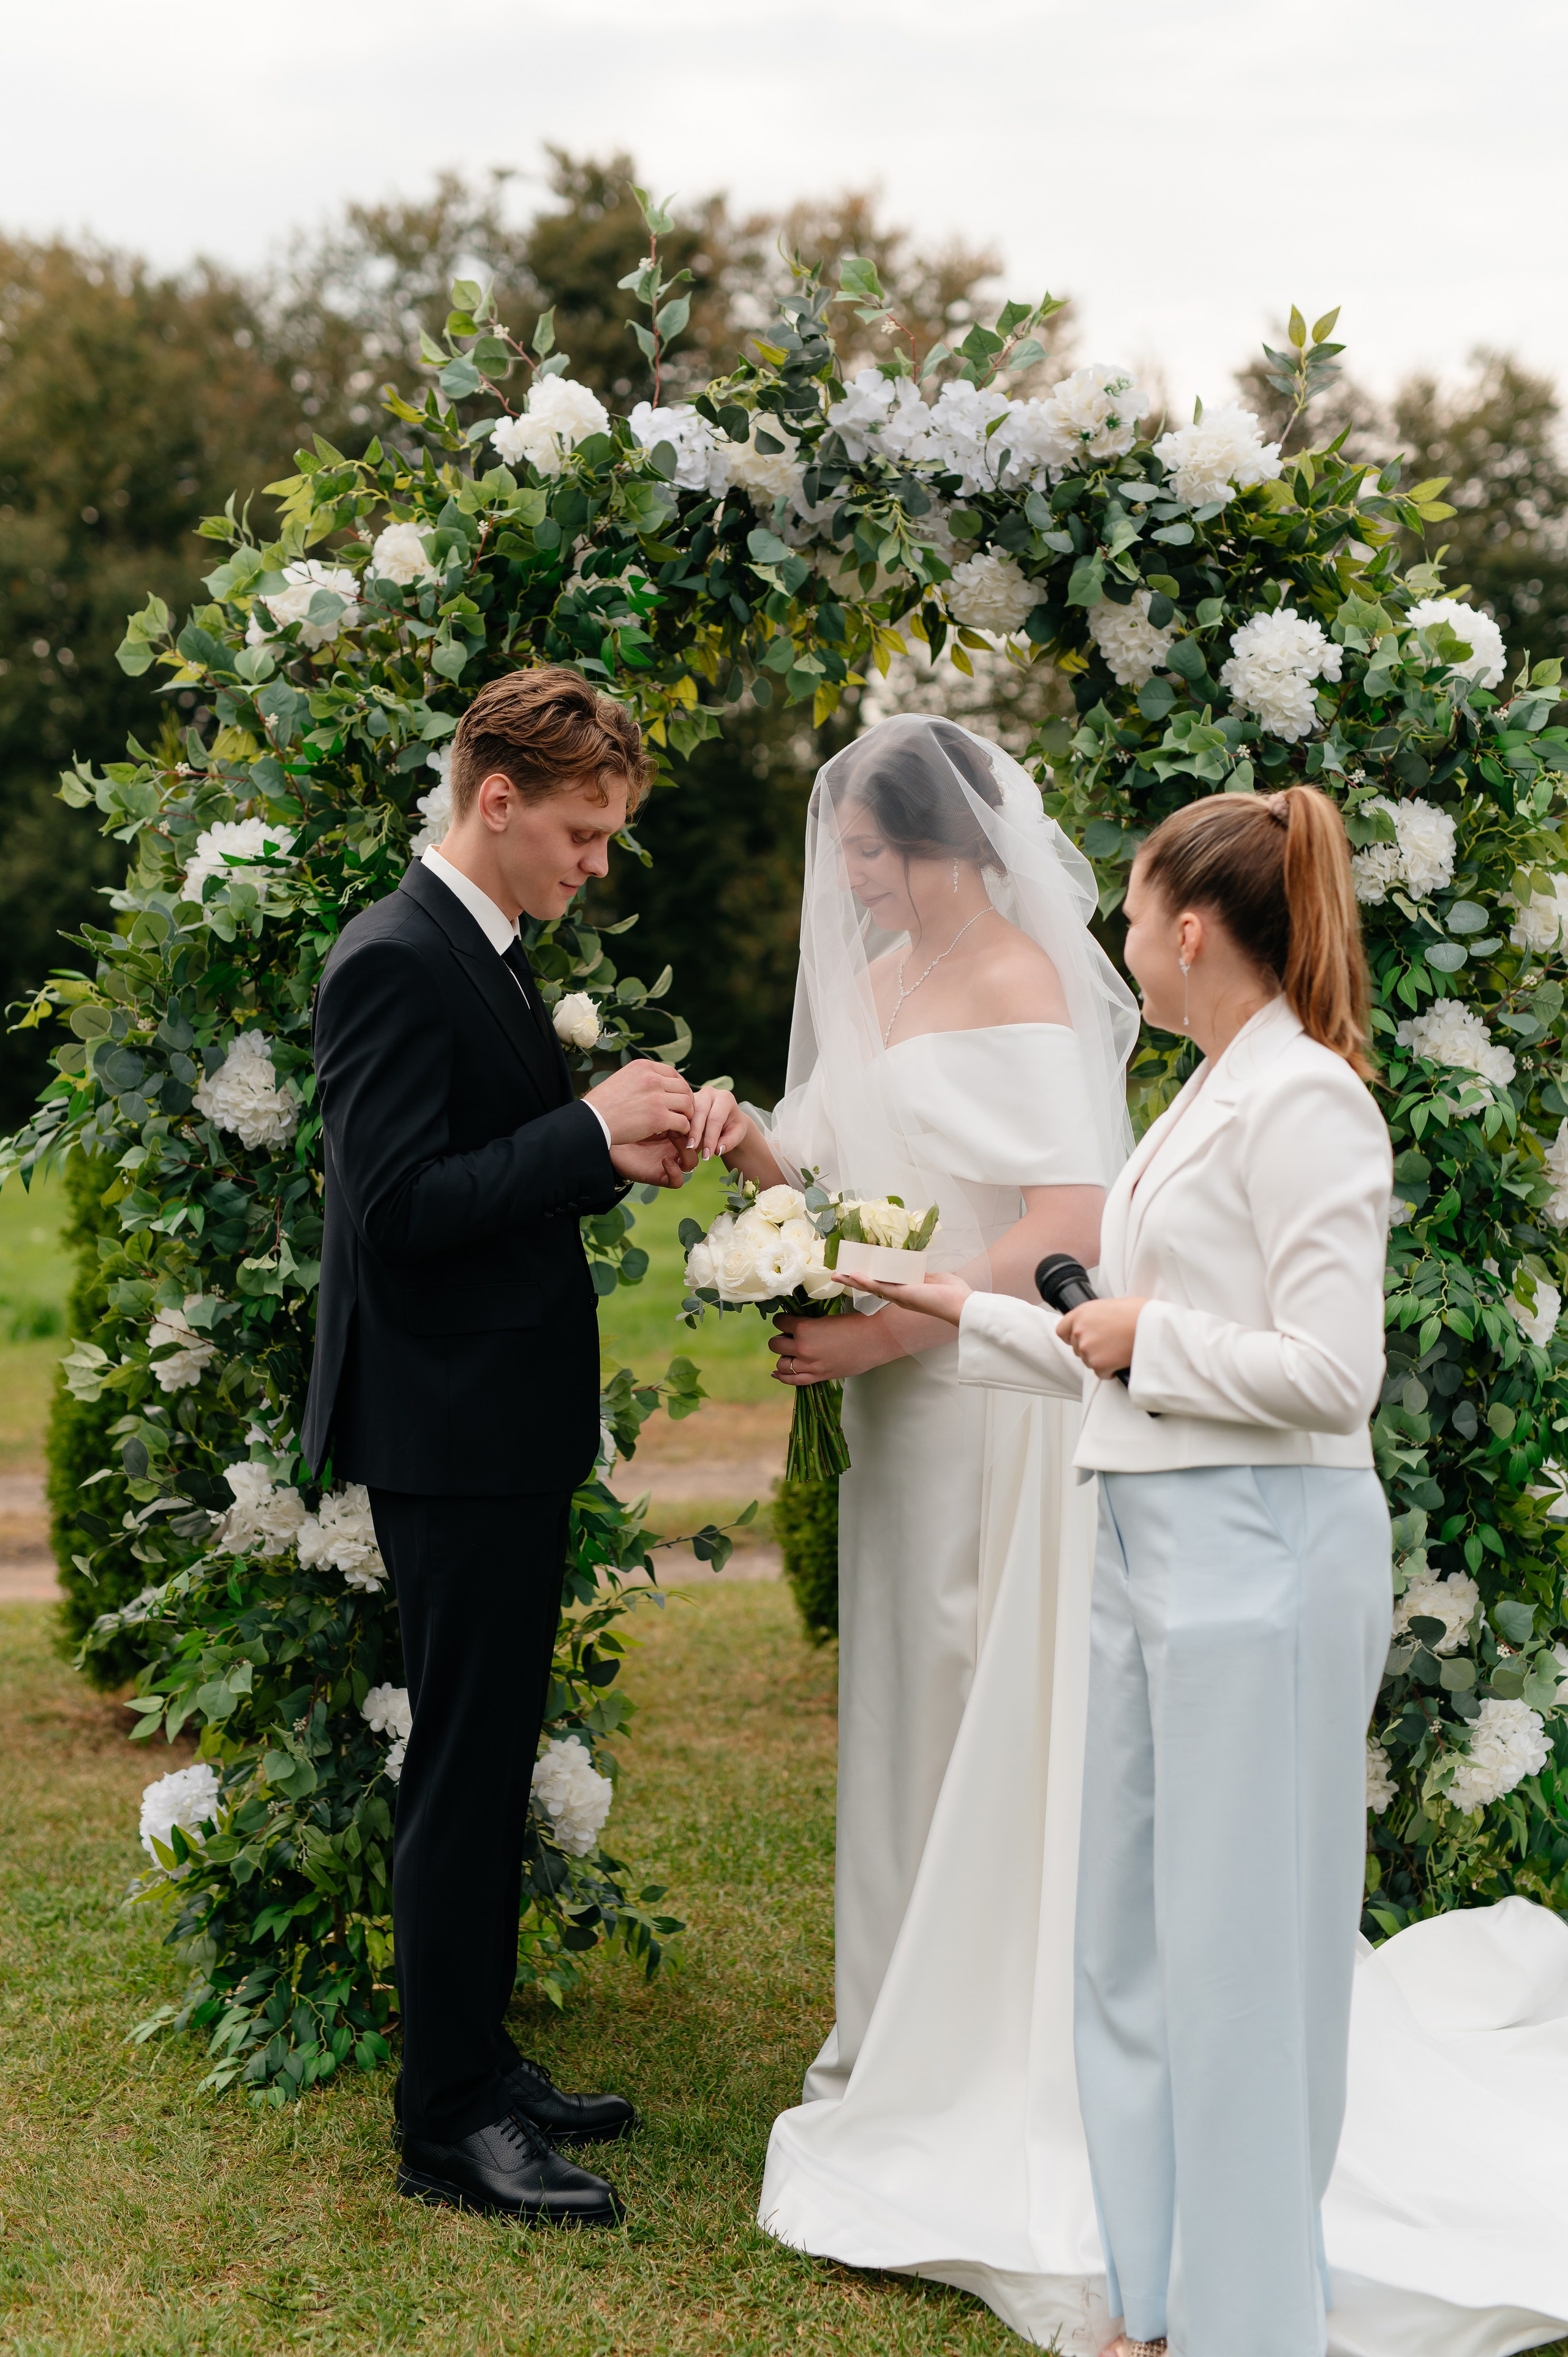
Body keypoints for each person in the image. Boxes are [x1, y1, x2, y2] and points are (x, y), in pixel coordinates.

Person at [864, 785, 1393, 2355]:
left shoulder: (1306, 1100)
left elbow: (1330, 1372)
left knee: (1235, 1956)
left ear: (1186, 927)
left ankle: (1245, 2323)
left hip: (1263, 1555)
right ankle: (1156, 2295)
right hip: (1148, 1540)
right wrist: (945, 1304)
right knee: (1127, 1944)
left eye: (1128, 916)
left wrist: (1142, 1335)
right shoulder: (1199, 1091)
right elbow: (1113, 1347)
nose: (1113, 946)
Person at [685, 717, 1137, 2214]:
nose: (854, 880)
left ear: (945, 844)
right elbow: (836, 1188)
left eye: (870, 853)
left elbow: (1057, 1223)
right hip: (896, 1424)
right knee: (896, 1704)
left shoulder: (1019, 981)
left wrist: (886, 1339)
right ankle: (892, 2029)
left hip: (982, 1401)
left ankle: (989, 2033)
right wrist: (748, 1157)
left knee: (970, 1698)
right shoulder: (879, 984)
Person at [301, 666, 718, 2222]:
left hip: (496, 1415)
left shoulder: (485, 948)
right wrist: (582, 1126)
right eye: (582, 831)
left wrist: (609, 1151)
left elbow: (490, 1173)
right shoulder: (394, 961)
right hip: (447, 1426)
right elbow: (399, 1214)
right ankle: (445, 2121)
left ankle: (477, 2060)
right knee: (464, 1775)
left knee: (487, 1757)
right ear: (493, 799)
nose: (596, 862)